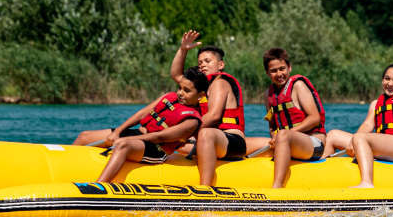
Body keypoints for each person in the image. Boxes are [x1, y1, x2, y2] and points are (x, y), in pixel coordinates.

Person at [94, 69, 212, 182]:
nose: (180, 93)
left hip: (156, 149)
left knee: (123, 145)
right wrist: (117, 132)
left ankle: (98, 186)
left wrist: (124, 139)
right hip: (138, 135)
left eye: (186, 91)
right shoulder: (169, 97)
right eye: (179, 88)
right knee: (85, 136)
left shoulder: (192, 120)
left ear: (201, 95)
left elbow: (160, 137)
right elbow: (141, 114)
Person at [327, 63, 393, 189]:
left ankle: (367, 183)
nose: (390, 83)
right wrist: (353, 143)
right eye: (387, 78)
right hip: (385, 146)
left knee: (361, 138)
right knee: (332, 135)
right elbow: (367, 125)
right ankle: (322, 175)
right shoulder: (376, 104)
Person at [170, 30, 248, 187]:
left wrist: (184, 132)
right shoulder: (201, 86)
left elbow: (213, 116)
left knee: (203, 134)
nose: (203, 65)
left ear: (220, 65)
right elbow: (176, 75)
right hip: (212, 139)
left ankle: (205, 188)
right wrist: (183, 50)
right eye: (200, 63)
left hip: (231, 140)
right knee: (175, 141)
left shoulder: (220, 83)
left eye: (207, 61)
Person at [262, 48, 327, 189]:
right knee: (249, 143)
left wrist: (288, 134)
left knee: (284, 135)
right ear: (267, 73)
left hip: (314, 144)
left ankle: (277, 188)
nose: (279, 74)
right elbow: (272, 126)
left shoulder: (298, 86)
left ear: (289, 68)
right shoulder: (268, 94)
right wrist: (274, 137)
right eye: (273, 71)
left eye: (282, 69)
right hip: (286, 142)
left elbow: (315, 118)